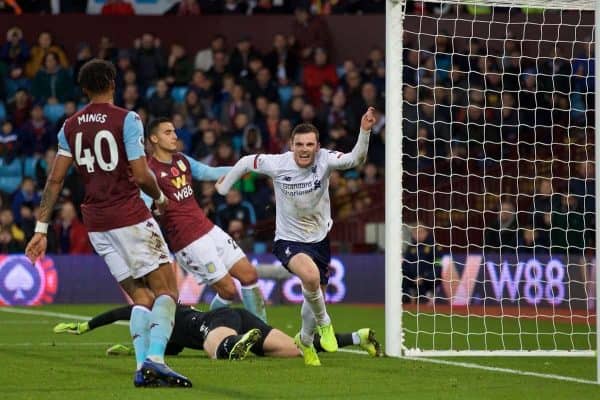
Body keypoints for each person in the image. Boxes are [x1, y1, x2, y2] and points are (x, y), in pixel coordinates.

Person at [24, 59, 191, 388]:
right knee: (167, 291)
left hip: (97, 224)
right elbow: (142, 174)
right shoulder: (127, 120)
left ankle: (142, 367)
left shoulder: (69, 126)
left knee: (140, 297)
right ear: (113, 84)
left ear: (84, 89)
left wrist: (40, 229)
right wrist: (158, 199)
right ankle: (156, 360)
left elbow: (55, 180)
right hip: (129, 216)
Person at [216, 107, 376, 366]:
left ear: (317, 146)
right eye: (299, 144)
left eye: (309, 144)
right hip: (288, 240)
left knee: (314, 293)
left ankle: (305, 338)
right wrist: (224, 187)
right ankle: (325, 324)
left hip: (319, 239)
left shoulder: (325, 159)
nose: (304, 149)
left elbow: (353, 160)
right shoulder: (278, 163)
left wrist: (365, 131)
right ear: (291, 146)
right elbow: (246, 162)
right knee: (311, 277)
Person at [145, 118, 268, 322]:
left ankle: (264, 334)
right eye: (168, 132)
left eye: (174, 131)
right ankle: (206, 329)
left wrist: (245, 168)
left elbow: (209, 172)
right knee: (228, 291)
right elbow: (144, 208)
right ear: (154, 138)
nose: (175, 136)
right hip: (187, 240)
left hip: (207, 228)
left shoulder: (181, 159)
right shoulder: (149, 172)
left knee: (249, 275)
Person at [52, 304, 383, 359]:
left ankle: (233, 347)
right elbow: (169, 351)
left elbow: (118, 313)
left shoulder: (153, 309)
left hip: (212, 322)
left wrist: (85, 326)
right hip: (236, 315)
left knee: (216, 351)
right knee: (297, 349)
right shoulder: (164, 339)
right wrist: (131, 352)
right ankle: (359, 337)